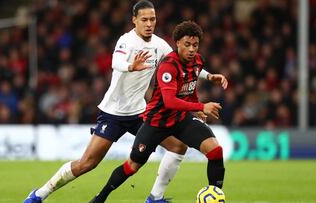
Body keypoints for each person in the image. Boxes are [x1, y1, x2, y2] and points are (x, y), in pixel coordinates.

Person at [23, 1, 218, 203]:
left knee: (178, 147)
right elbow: (116, 62)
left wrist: (209, 76)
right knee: (87, 163)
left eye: (152, 19)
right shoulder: (127, 41)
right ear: (134, 20)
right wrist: (130, 66)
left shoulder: (160, 45)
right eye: (144, 19)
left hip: (141, 113)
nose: (149, 23)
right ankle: (40, 194)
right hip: (113, 113)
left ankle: (155, 198)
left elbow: (182, 61)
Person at [88, 21, 227, 203]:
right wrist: (202, 107)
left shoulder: (197, 61)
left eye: (195, 45)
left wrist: (196, 105)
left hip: (180, 119)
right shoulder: (168, 65)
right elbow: (169, 101)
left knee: (215, 151)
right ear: (177, 43)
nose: (192, 49)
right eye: (187, 44)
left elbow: (190, 88)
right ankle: (100, 197)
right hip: (157, 122)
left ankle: (213, 198)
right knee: (133, 165)